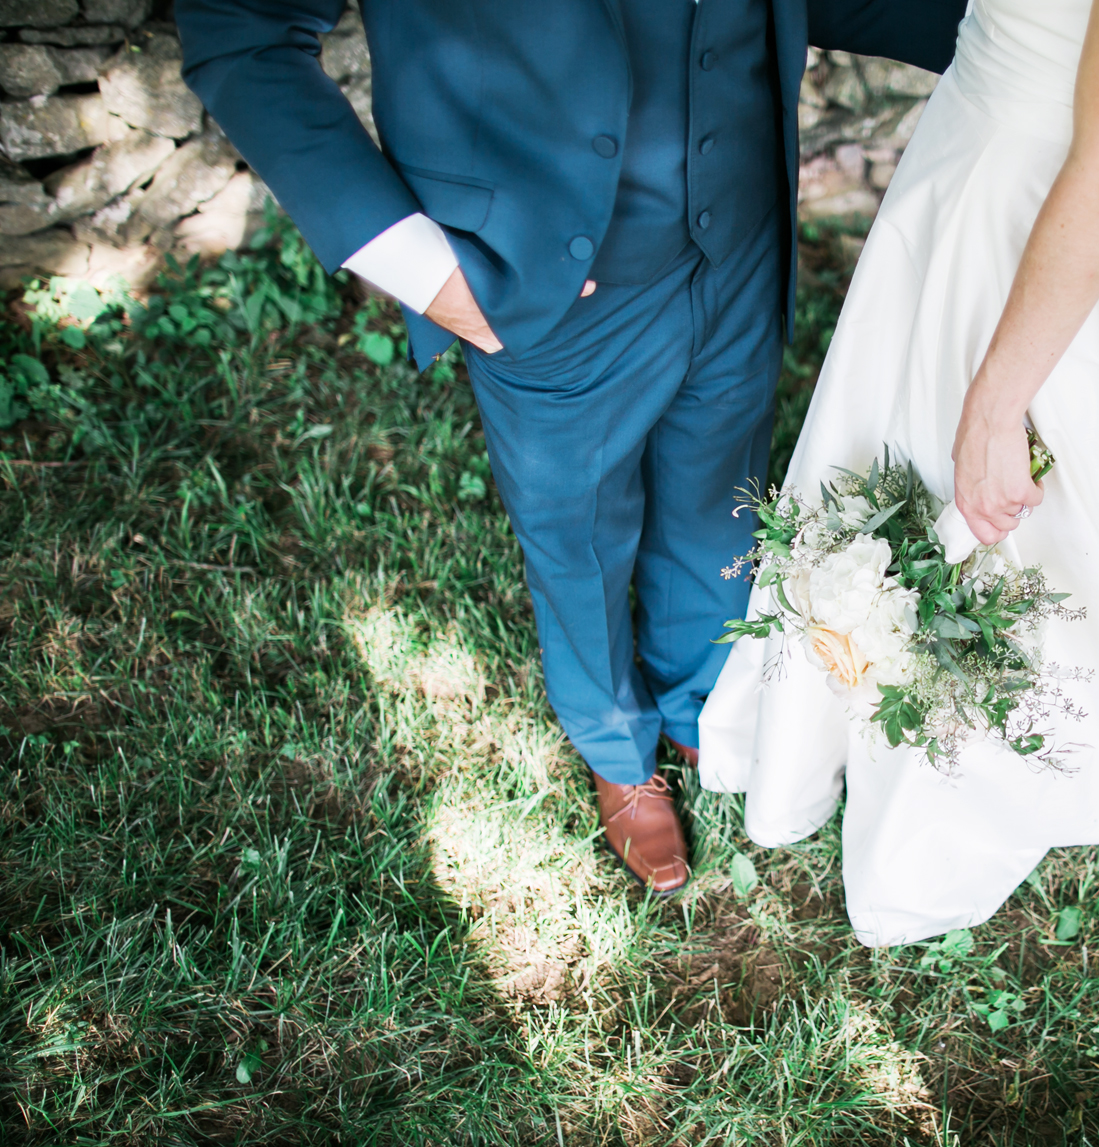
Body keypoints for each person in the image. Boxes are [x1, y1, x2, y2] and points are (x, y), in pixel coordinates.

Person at [175, 0, 966, 895]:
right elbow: (238, 26)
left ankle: (697, 692)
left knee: (722, 498)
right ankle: (614, 741)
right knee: (580, 536)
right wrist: (429, 275)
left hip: (741, 231)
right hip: (548, 286)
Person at [700, 0, 1099, 945]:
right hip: (971, 157)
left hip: (1044, 211)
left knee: (1014, 502)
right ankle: (861, 706)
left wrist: (999, 400)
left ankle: (975, 756)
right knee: (901, 451)